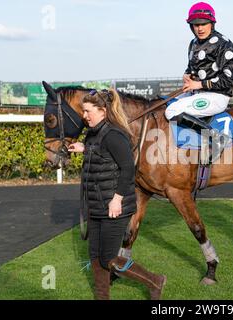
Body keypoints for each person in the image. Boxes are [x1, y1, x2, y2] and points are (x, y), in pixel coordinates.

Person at [68, 89, 166, 300]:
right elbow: (101, 151)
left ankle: (155, 281)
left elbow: (127, 169)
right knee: (95, 256)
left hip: (115, 207)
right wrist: (83, 148)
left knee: (110, 259)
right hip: (96, 206)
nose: (84, 115)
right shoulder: (94, 133)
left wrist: (117, 199)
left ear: (102, 111)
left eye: (87, 111)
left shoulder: (114, 134)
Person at [164, 2, 233, 162]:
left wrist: (199, 84)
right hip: (196, 94)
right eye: (195, 25)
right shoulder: (193, 43)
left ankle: (216, 137)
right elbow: (192, 68)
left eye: (203, 24)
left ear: (212, 23)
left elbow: (228, 79)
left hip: (217, 97)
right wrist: (188, 76)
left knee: (170, 112)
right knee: (165, 104)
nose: (200, 28)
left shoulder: (224, 44)